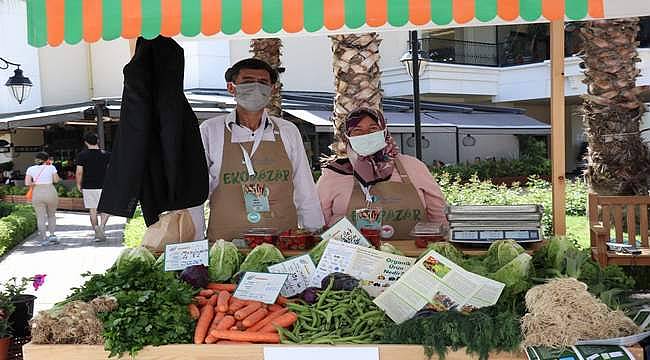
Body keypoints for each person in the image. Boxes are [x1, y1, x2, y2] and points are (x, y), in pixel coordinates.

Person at [189, 58, 324, 240]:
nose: (255, 88)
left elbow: (304, 188)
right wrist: (195, 241)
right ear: (231, 88)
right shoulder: (210, 130)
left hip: (283, 243)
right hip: (226, 244)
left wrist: (315, 234)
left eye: (263, 83)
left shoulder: (287, 131)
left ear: (273, 89)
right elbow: (195, 194)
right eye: (247, 82)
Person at [317, 107, 448, 239]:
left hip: (413, 253)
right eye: (357, 130)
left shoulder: (413, 166)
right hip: (353, 256)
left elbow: (438, 213)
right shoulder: (334, 173)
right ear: (347, 137)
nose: (365, 134)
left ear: (384, 132)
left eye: (373, 128)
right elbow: (319, 220)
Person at [76, 133, 111, 241]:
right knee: (106, 208)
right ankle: (102, 227)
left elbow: (79, 172)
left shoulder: (82, 155)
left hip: (89, 186)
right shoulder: (106, 154)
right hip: (105, 185)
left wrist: (78, 184)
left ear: (86, 143)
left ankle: (96, 231)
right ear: (98, 141)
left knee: (93, 209)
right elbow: (112, 170)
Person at [25, 152, 60, 245]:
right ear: (47, 160)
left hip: (37, 192)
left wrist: (35, 183)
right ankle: (52, 235)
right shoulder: (51, 167)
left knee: (40, 217)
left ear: (36, 159)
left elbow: (27, 183)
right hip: (50, 191)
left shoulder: (30, 169)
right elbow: (56, 180)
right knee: (51, 215)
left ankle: (44, 238)